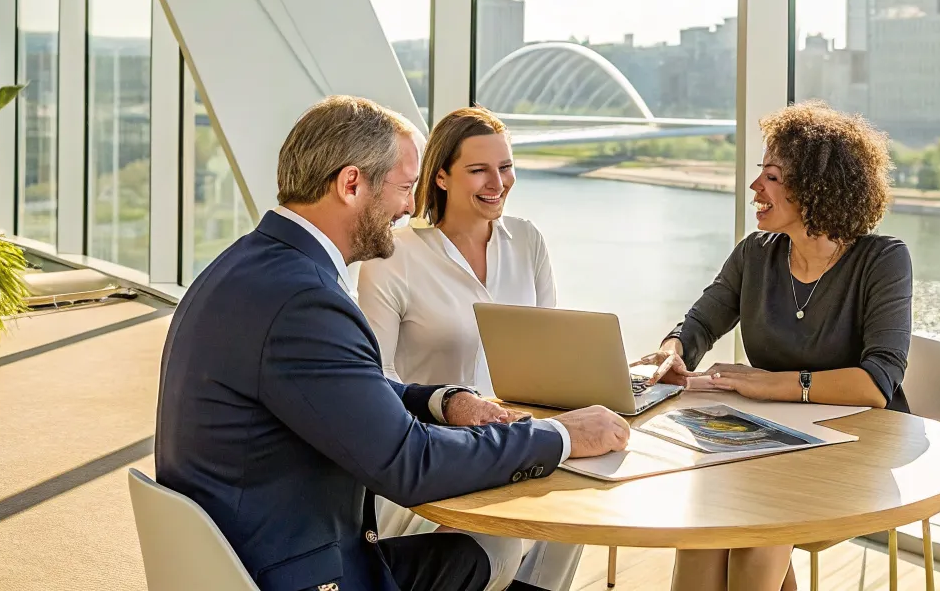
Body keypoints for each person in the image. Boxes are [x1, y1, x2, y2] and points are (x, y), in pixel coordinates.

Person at [156, 95, 630, 591]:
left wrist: (443, 401)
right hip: (307, 572)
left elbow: (341, 385)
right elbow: (410, 464)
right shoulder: (305, 300)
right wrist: (562, 436)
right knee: (502, 543)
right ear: (352, 184)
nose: (409, 206)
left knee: (494, 545)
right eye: (405, 187)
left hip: (256, 546)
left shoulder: (249, 266)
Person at [638, 103, 913, 591]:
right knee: (705, 524)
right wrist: (672, 349)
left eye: (771, 176)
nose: (754, 188)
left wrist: (771, 385)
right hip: (769, 440)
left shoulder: (883, 260)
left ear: (816, 188)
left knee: (753, 525)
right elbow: (700, 323)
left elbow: (876, 385)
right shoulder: (754, 254)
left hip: (855, 447)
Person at [360, 107, 582, 591]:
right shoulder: (392, 257)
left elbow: (549, 356)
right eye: (479, 170)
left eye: (505, 167)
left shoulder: (527, 240)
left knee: (575, 514)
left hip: (514, 442)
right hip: (433, 457)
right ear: (439, 175)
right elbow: (377, 382)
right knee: (501, 537)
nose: (497, 182)